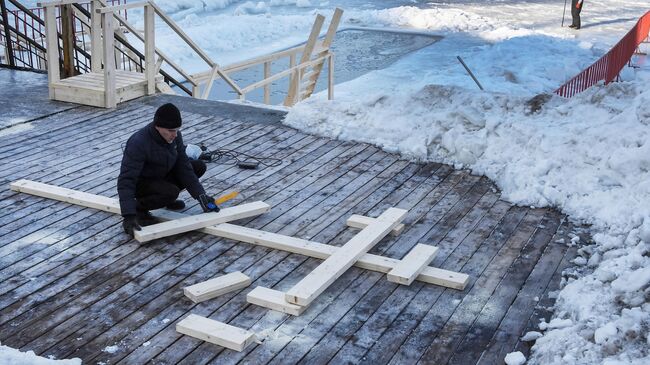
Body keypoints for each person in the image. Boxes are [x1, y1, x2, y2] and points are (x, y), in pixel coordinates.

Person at [117, 103, 220, 237]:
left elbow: (184, 167)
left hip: (161, 175)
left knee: (198, 166)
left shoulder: (175, 136)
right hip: (142, 184)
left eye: (177, 130)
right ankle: (139, 209)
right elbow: (126, 180)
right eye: (171, 130)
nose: (175, 135)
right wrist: (128, 215)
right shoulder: (138, 143)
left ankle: (166, 198)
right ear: (158, 127)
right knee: (171, 192)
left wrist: (201, 196)